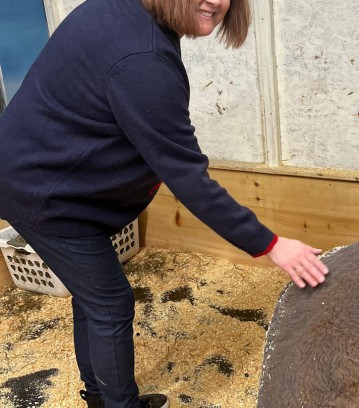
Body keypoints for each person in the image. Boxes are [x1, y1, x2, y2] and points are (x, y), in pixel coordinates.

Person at [0, 0, 329, 407]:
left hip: (48, 177)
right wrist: (272, 245)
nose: (216, 2)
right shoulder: (142, 58)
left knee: (96, 296)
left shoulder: (123, 14)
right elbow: (188, 179)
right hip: (46, 194)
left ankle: (101, 396)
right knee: (109, 303)